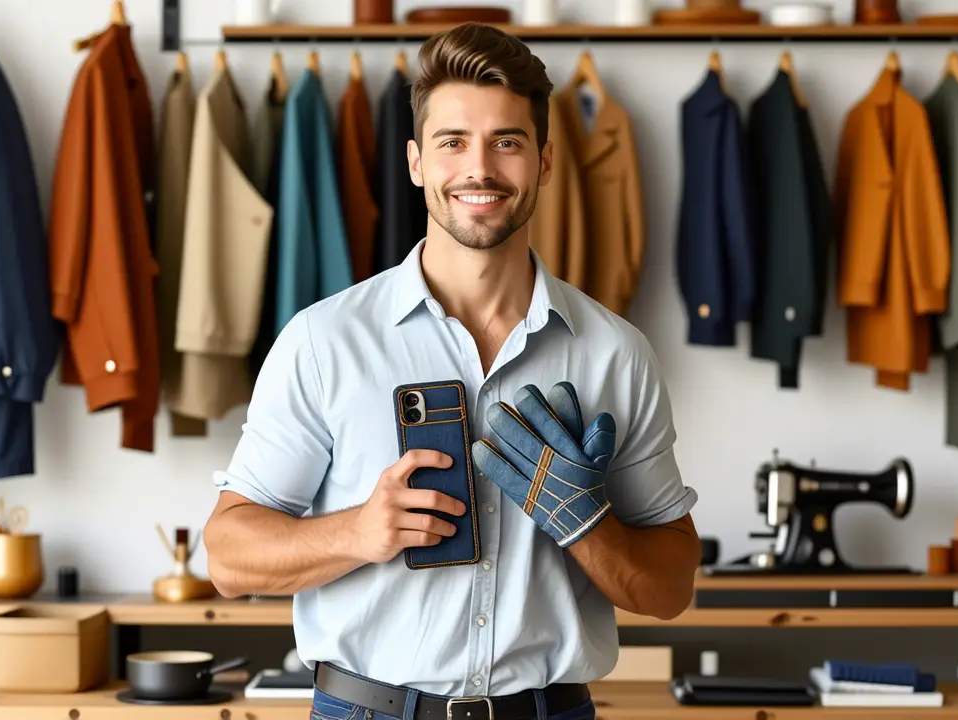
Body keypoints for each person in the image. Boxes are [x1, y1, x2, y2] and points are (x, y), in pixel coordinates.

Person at [204, 22, 700, 720]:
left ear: (546, 161)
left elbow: (671, 589)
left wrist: (589, 526)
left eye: (507, 142)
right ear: (415, 162)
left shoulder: (615, 353)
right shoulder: (325, 340)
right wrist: (357, 531)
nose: (480, 168)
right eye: (453, 142)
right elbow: (226, 557)